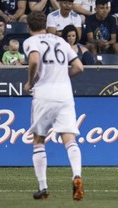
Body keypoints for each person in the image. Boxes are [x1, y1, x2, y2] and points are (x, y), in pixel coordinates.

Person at [23, 11, 84, 200]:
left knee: (39, 140)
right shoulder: (61, 42)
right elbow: (79, 67)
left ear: (28, 26)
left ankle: (43, 188)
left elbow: (34, 59)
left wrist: (30, 82)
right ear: (45, 24)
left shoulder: (31, 42)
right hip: (65, 95)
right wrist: (64, 76)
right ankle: (76, 175)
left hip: (44, 94)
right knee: (69, 139)